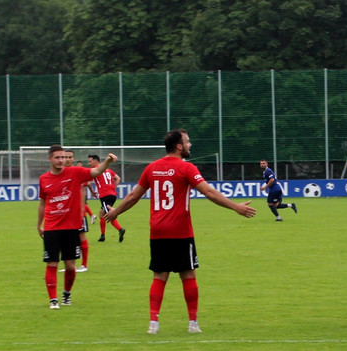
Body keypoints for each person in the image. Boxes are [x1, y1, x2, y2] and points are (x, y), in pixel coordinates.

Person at [103, 129, 256, 335]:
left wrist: (115, 213)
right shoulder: (186, 168)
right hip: (181, 231)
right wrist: (235, 207)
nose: (190, 145)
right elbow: (209, 192)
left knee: (159, 275)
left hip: (157, 231)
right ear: (178, 146)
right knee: (188, 274)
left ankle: (153, 324)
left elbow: (133, 196)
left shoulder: (152, 168)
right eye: (187, 141)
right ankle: (193, 323)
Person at [38, 146, 116, 309]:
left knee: (70, 266)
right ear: (50, 159)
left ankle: (66, 293)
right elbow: (42, 203)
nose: (61, 160)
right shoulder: (44, 179)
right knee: (52, 264)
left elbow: (96, 172)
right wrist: (39, 225)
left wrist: (107, 161)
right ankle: (53, 300)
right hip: (51, 228)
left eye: (63, 157)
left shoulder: (75, 173)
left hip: (71, 227)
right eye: (57, 157)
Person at [89, 154, 126, 242]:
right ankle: (102, 236)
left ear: (95, 161)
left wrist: (92, 192)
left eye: (90, 161)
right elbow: (118, 178)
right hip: (112, 194)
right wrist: (113, 188)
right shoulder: (108, 170)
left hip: (104, 195)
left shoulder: (95, 170)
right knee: (102, 214)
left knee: (109, 214)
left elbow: (89, 183)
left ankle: (120, 229)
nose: (89, 163)